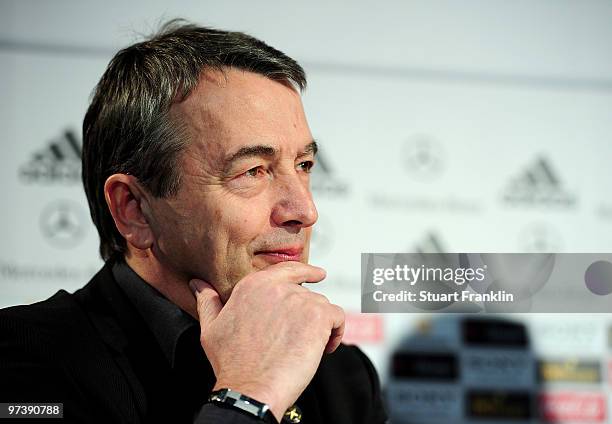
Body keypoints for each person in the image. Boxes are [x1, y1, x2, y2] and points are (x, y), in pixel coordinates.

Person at [0, 20, 387, 424]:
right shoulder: (22, 359)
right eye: (252, 170)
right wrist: (249, 394)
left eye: (304, 165)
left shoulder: (341, 375)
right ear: (134, 209)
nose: (305, 210)